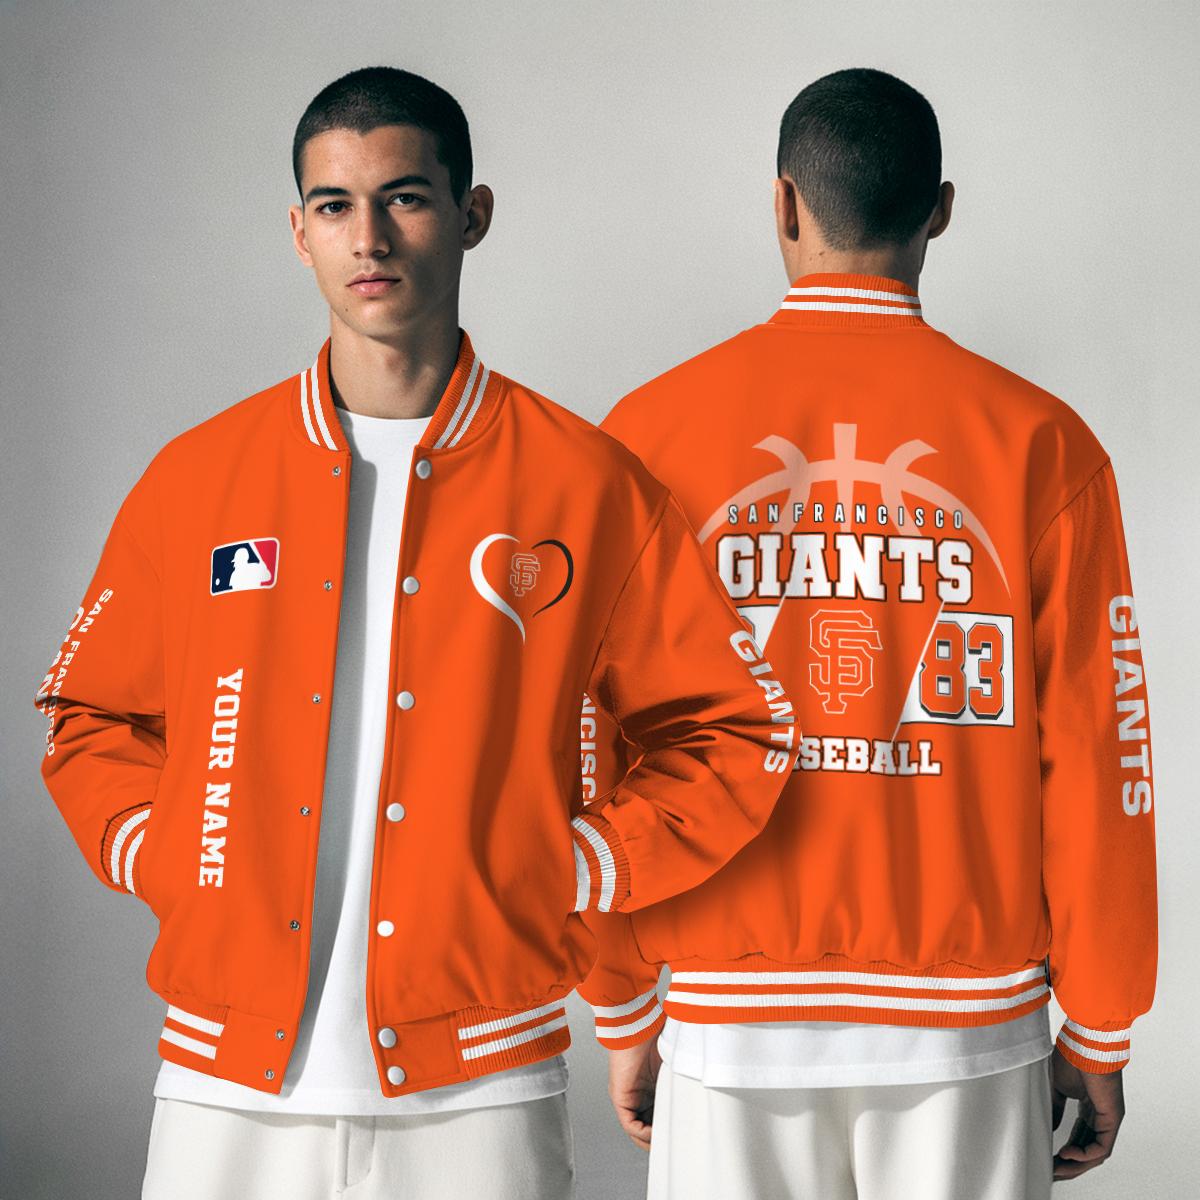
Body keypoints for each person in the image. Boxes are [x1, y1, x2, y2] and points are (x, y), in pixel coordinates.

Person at [33, 65, 796, 1200]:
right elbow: (88, 715)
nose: (369, 237)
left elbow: (737, 730)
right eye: (335, 205)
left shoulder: (588, 487)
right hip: (224, 1079)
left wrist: (577, 865)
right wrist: (172, 855)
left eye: (405, 197)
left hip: (481, 1084)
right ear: (298, 231)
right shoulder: (197, 480)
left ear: (471, 213)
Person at [577, 67, 1157, 1200]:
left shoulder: (645, 436)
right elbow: (1104, 755)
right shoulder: (1043, 444)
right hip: (968, 1029)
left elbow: (595, 740)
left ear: (782, 203)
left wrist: (622, 1001)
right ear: (939, 210)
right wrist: (1100, 1024)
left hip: (728, 1018)